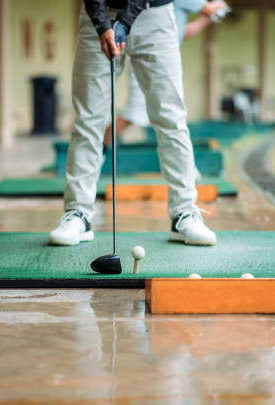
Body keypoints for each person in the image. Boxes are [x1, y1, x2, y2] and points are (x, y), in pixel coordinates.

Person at [49, 0, 217, 247]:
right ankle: (79, 214)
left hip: (154, 16)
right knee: (88, 119)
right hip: (99, 14)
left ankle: (184, 213)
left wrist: (125, 21)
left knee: (171, 117)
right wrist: (101, 23)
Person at [102, 0, 229, 148]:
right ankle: (100, 147)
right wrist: (219, 7)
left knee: (170, 115)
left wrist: (207, 19)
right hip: (148, 59)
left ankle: (190, 170)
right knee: (135, 115)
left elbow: (183, 34)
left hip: (160, 59)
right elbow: (212, 10)